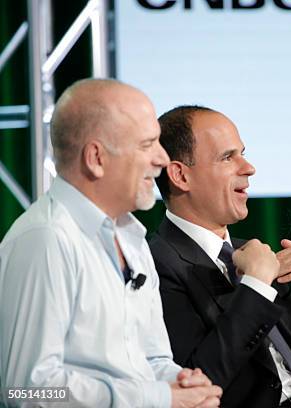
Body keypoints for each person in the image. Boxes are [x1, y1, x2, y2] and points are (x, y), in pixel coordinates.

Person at [0, 79, 222, 408]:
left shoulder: (132, 237)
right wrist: (156, 398)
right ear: (96, 158)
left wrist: (180, 382)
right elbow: (28, 391)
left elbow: (152, 358)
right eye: (147, 145)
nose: (162, 159)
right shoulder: (46, 239)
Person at [149, 105, 291, 408]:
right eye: (228, 157)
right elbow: (198, 386)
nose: (248, 167)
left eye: (242, 153)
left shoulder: (253, 253)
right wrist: (256, 287)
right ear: (180, 175)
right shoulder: (156, 263)